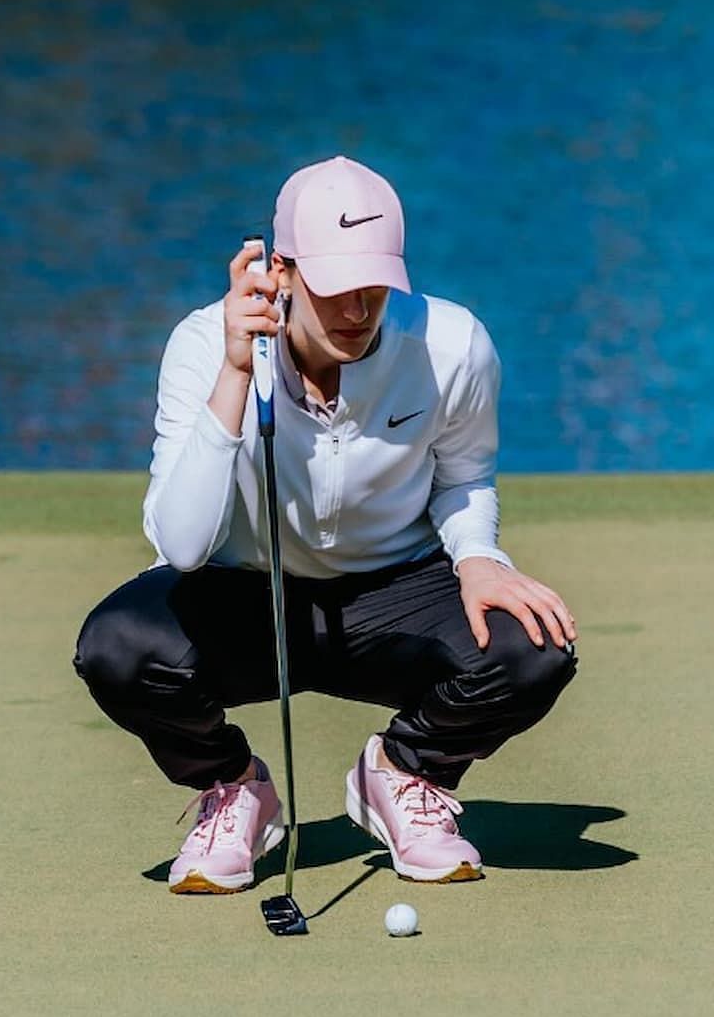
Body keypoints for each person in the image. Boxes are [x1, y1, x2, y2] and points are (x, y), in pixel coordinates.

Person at [75, 155, 578, 893]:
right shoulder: (203, 343)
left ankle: (404, 772)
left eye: (375, 285)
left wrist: (478, 556)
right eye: (337, 288)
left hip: (395, 593)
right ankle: (233, 787)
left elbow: (465, 476)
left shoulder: (454, 345)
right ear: (281, 271)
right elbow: (181, 544)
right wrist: (238, 372)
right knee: (117, 646)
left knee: (535, 645)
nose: (358, 310)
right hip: (241, 593)